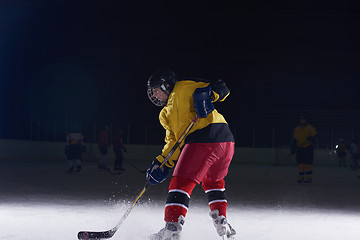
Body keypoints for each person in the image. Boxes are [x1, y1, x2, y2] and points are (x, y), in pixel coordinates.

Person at [146, 69, 236, 240]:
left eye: (156, 90)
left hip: (205, 138)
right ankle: (222, 222)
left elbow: (222, 88)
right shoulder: (164, 115)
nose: (155, 95)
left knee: (180, 182)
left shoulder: (184, 86)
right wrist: (161, 163)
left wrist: (210, 94)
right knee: (213, 182)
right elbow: (173, 143)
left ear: (167, 85)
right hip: (225, 141)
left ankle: (172, 228)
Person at [291, 115, 318, 183]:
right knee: (300, 164)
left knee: (308, 164)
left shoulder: (311, 128)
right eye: (301, 119)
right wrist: (293, 147)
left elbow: (315, 137)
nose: (302, 120)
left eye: (303, 119)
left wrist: (311, 138)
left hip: (308, 147)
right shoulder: (297, 129)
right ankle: (301, 178)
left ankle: (309, 178)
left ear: (306, 120)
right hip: (299, 148)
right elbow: (294, 139)